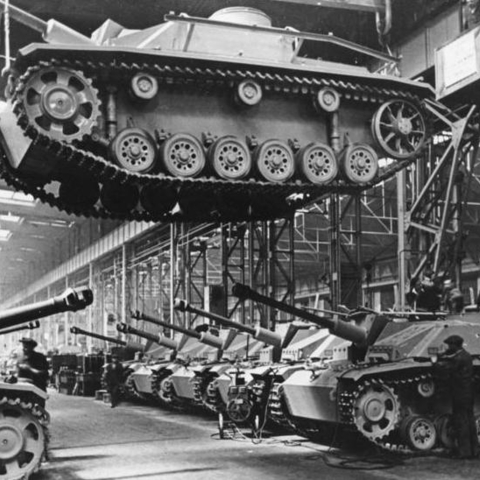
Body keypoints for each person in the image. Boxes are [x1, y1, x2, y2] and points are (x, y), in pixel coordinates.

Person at [434, 335, 479, 459]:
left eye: (450, 345)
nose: (448, 347)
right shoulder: (466, 355)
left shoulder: (459, 358)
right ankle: (474, 450)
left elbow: (444, 367)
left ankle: (464, 452)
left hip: (460, 394)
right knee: (469, 421)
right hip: (467, 393)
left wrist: (436, 360)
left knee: (461, 422)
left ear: (455, 345)